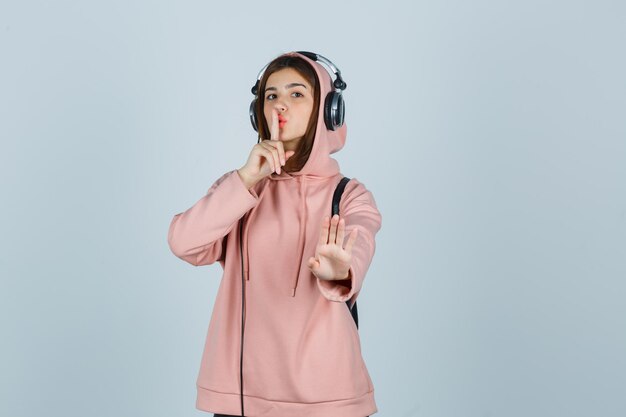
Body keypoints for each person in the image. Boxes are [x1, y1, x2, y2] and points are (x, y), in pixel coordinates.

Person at [167, 51, 382, 417]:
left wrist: (341, 272)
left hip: (327, 397)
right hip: (242, 396)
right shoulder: (239, 189)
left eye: (297, 93)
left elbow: (360, 238)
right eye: (271, 95)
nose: (280, 104)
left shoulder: (349, 195)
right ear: (258, 112)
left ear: (329, 111)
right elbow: (184, 243)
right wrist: (247, 179)